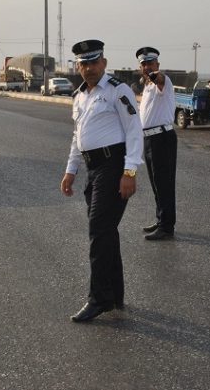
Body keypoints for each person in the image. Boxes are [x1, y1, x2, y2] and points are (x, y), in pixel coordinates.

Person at [60, 39, 143, 322]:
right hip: (92, 168)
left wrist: (129, 172)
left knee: (98, 230)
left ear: (103, 63)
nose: (89, 68)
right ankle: (115, 294)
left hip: (113, 165)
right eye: (83, 64)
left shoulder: (118, 91)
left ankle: (98, 299)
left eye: (93, 62)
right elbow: (77, 137)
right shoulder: (80, 95)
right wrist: (71, 170)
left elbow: (134, 131)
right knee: (106, 232)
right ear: (78, 67)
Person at [136, 46, 178, 240]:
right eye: (143, 64)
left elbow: (159, 78)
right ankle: (161, 219)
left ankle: (167, 227)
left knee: (164, 184)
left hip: (162, 139)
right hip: (150, 139)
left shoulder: (163, 81)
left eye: (150, 63)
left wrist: (154, 75)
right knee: (156, 184)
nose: (147, 67)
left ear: (157, 65)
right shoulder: (147, 87)